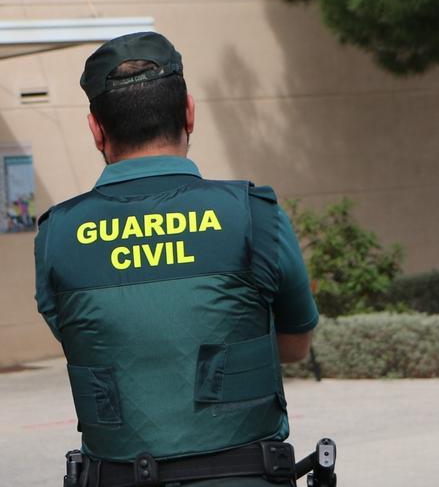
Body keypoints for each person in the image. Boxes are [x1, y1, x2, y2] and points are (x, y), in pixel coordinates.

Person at [34, 32, 319, 486]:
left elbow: (99, 342)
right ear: (189, 112)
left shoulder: (57, 235)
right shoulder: (253, 214)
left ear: (96, 129)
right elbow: (296, 345)